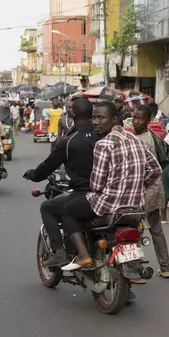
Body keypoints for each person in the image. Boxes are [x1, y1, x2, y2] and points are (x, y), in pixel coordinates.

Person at [59, 101, 161, 271]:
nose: (96, 122)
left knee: (68, 210)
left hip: (109, 205)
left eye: (101, 118)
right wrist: (138, 187)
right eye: (94, 118)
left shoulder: (103, 144)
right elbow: (155, 170)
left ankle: (84, 256)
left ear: (114, 119)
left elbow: (97, 186)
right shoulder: (134, 139)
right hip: (135, 207)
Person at [23, 98, 98, 267]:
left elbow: (48, 166)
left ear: (73, 114)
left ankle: (60, 252)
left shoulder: (69, 141)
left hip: (84, 193)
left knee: (48, 207)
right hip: (107, 194)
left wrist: (33, 175)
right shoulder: (101, 135)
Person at [131, 105, 169, 279]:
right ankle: (166, 267)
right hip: (155, 189)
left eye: (140, 118)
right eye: (134, 117)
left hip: (143, 190)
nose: (136, 121)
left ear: (148, 121)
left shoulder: (141, 141)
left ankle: (135, 271)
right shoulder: (149, 137)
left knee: (134, 231)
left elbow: (138, 171)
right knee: (156, 229)